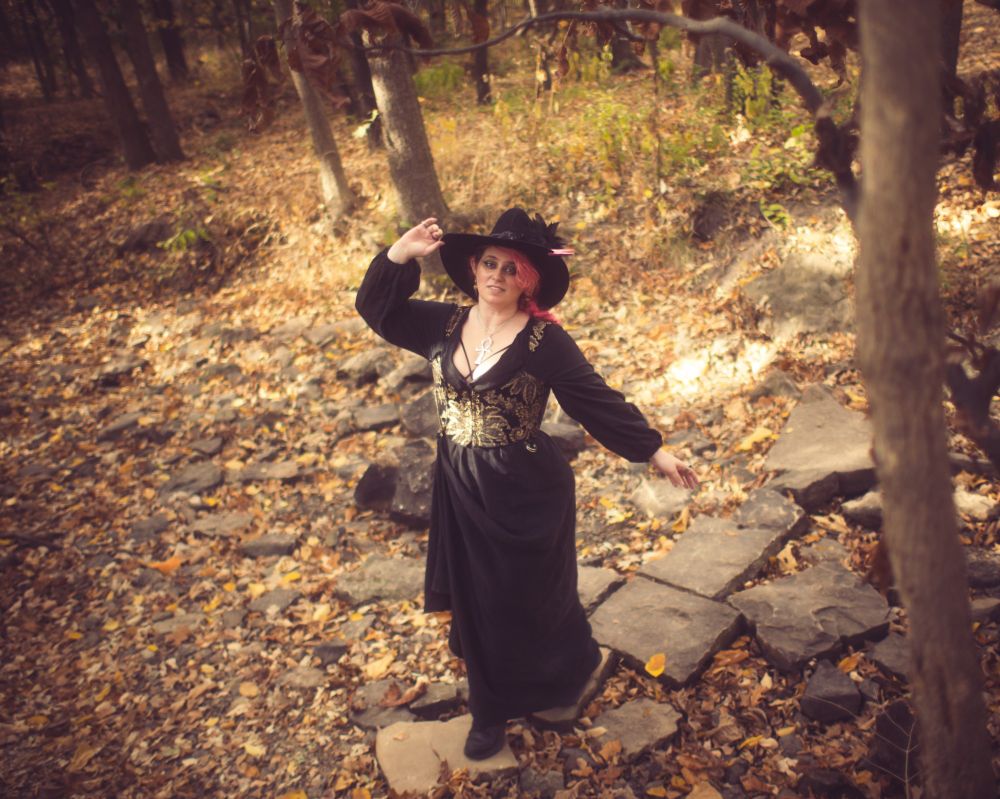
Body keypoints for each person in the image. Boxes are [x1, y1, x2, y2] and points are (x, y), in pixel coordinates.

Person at [355, 208, 698, 760]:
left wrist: (654, 450)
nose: (496, 275)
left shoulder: (544, 342)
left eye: (511, 269)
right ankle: (490, 713)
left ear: (528, 281)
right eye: (489, 263)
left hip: (526, 488)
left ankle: (566, 664)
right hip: (461, 482)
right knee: (479, 600)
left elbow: (594, 399)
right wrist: (400, 253)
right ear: (473, 268)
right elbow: (375, 309)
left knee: (533, 597)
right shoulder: (440, 325)